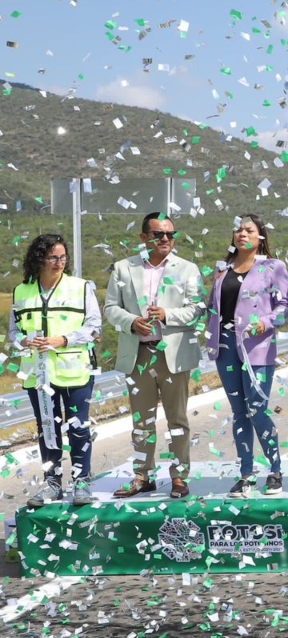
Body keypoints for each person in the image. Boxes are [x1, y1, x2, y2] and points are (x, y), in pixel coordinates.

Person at [104, 212, 205, 499]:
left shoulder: (188, 268)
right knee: (142, 420)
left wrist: (167, 315)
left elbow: (198, 307)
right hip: (139, 353)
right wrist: (131, 322)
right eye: (159, 234)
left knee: (177, 418)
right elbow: (111, 308)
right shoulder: (123, 268)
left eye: (170, 235)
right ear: (144, 237)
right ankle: (142, 476)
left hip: (172, 353)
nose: (165, 239)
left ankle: (179, 477)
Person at [204, 214, 288, 498]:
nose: (242, 234)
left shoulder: (273, 267)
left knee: (257, 409)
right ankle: (245, 474)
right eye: (238, 230)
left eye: (249, 230)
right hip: (225, 347)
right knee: (239, 412)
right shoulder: (222, 269)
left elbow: (284, 307)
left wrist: (265, 322)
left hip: (257, 347)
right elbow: (211, 307)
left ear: (260, 236)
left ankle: (275, 470)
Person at [11, 234, 101, 507]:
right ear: (38, 259)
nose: (59, 262)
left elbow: (95, 327)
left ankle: (82, 482)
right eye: (53, 257)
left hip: (75, 371)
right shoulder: (21, 291)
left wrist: (62, 340)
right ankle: (52, 484)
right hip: (38, 375)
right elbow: (13, 333)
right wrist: (23, 341)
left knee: (78, 429)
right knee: (47, 429)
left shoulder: (81, 287)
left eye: (63, 257)